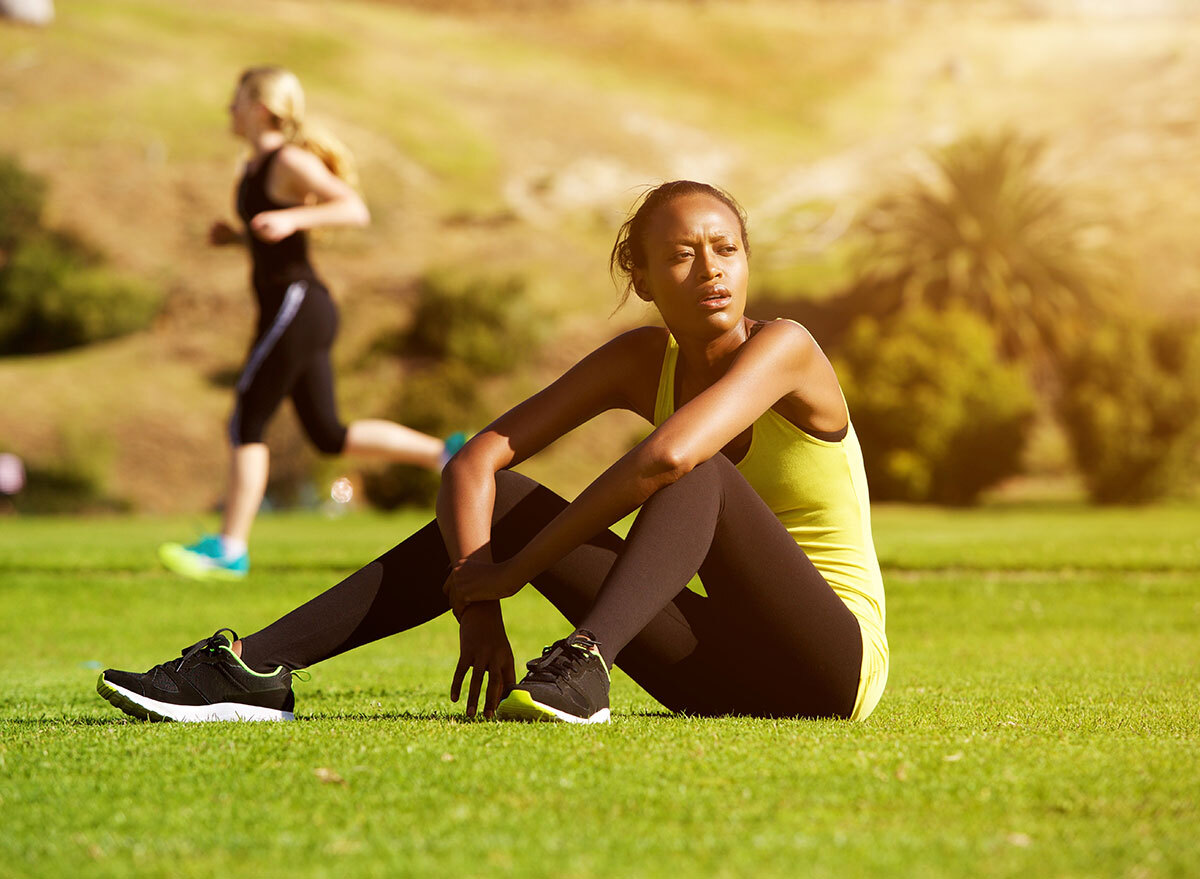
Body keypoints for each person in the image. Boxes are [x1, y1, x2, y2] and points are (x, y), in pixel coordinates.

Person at [101, 180, 888, 724]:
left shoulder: (788, 347)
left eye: (726, 249)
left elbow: (668, 460)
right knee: (506, 503)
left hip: (831, 666)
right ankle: (251, 668)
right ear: (640, 275)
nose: (711, 269)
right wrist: (477, 600)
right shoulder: (639, 360)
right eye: (682, 254)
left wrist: (516, 572)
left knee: (695, 466)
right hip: (720, 670)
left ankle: (584, 665)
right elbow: (476, 461)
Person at [160, 66, 462, 582]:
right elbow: (271, 234)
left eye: (236, 101)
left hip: (299, 305)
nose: (228, 110)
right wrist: (237, 239)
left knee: (247, 417)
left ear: (260, 108)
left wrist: (294, 219)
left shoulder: (288, 161)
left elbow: (352, 208)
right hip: (295, 309)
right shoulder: (254, 167)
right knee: (327, 434)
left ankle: (229, 549)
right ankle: (445, 454)